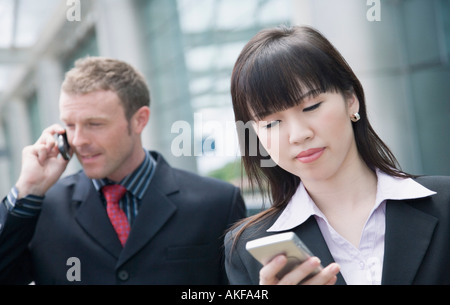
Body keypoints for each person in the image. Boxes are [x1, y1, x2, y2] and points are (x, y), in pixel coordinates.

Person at [224, 25, 450, 285]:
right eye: (272, 123)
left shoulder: (444, 204)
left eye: (311, 106)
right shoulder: (250, 248)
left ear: (351, 99)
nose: (298, 134)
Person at [0, 57, 246, 284]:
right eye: (70, 125)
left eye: (94, 124)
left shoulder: (218, 203)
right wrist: (26, 189)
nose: (77, 140)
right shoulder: (41, 208)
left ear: (139, 120)